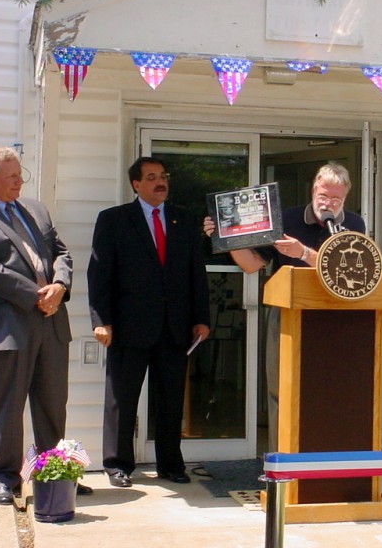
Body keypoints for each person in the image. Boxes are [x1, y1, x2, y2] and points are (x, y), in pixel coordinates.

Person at [203, 162, 365, 452]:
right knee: (281, 390)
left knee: (328, 392)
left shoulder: (353, 224)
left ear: (346, 198)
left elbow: (353, 271)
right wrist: (224, 237)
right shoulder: (287, 219)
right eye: (324, 196)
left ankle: (324, 459)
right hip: (286, 315)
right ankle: (281, 463)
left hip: (332, 320)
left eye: (336, 199)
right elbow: (253, 264)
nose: (328, 203)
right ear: (313, 189)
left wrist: (302, 253)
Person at [0, 147, 92, 504]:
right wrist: (39, 295)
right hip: (7, 327)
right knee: (6, 407)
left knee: (52, 404)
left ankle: (53, 473)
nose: (20, 181)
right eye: (12, 177)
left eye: (20, 174)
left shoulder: (36, 209)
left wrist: (61, 286)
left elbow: (62, 253)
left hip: (51, 324)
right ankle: (3, 479)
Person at [88, 156, 210, 488]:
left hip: (175, 326)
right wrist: (102, 320)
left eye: (163, 176)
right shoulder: (114, 220)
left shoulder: (183, 220)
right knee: (122, 398)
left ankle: (171, 464)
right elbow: (100, 274)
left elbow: (195, 273)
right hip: (129, 326)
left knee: (170, 399)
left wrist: (201, 318)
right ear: (136, 185)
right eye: (152, 177)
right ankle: (118, 464)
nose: (160, 182)